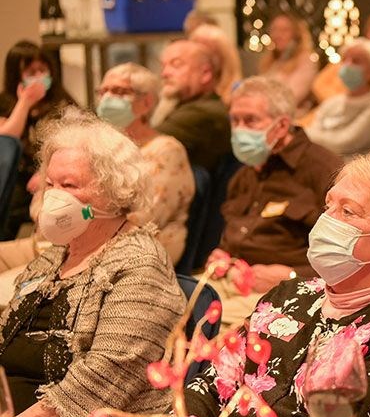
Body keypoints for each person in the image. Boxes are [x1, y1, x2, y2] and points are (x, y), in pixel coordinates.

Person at [117, 155, 370, 417]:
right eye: (328, 206)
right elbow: (213, 383)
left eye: (348, 212)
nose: (326, 221)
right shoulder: (288, 296)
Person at [0, 113, 185, 417]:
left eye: (70, 185)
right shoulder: (55, 255)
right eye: (50, 183)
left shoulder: (139, 264)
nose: (54, 196)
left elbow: (102, 379)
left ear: (113, 192)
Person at [211, 77, 343, 326]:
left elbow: (348, 255)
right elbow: (232, 234)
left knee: (202, 322)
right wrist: (222, 253)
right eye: (235, 121)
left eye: (250, 120)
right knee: (172, 306)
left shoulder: (325, 171)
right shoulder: (244, 174)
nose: (239, 130)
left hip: (288, 290)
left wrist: (294, 276)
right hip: (231, 279)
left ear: (282, 126)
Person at [93, 63, 194, 264]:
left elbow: (146, 216)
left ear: (147, 103)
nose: (107, 98)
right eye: (103, 91)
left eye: (119, 91)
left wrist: (87, 220)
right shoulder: (101, 147)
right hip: (94, 242)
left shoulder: (166, 150)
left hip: (143, 252)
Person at [0, 41, 75, 239]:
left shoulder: (63, 103)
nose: (39, 77)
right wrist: (24, 102)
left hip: (51, 176)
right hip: (16, 179)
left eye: (43, 70)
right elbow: (6, 140)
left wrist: (44, 173)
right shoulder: (4, 104)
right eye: (31, 72)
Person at [305, 38, 370, 159]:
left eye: (356, 61)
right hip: (320, 163)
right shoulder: (332, 102)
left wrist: (307, 135)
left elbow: (343, 143)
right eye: (344, 60)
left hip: (355, 172)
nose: (347, 65)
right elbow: (310, 134)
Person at [309, 10, 370, 114]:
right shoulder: (351, 54)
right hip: (328, 112)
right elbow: (319, 84)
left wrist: (354, 104)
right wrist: (340, 103)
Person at [157, 40, 232, 171]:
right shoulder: (187, 105)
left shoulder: (204, 112)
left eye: (176, 64)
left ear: (205, 74)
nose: (165, 73)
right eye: (163, 66)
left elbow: (145, 143)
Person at [258, 12, 319, 113]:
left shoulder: (306, 60)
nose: (278, 35)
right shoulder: (271, 61)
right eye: (275, 30)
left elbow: (292, 97)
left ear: (296, 35)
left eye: (284, 30)